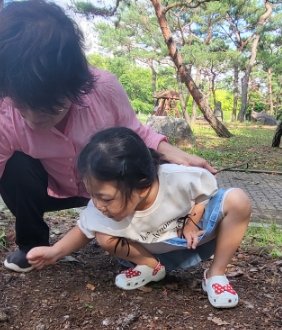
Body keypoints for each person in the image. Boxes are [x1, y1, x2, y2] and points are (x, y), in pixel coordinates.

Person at [0, 0, 213, 330]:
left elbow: (134, 131)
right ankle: (31, 244)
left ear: (76, 85)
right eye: (23, 104)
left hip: (101, 188)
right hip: (49, 188)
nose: (34, 118)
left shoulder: (103, 88)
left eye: (51, 106)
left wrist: (173, 151)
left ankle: (131, 230)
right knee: (13, 165)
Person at [27, 127, 252, 309]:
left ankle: (215, 274)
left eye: (105, 198)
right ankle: (151, 266)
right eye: (92, 195)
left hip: (191, 237)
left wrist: (192, 221)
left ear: (142, 187)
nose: (98, 205)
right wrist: (54, 252)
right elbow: (83, 229)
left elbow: (206, 190)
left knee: (238, 200)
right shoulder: (103, 204)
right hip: (150, 245)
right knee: (103, 235)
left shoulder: (177, 178)